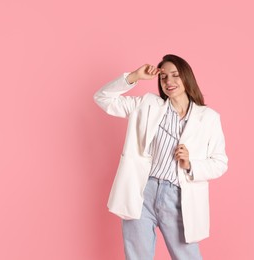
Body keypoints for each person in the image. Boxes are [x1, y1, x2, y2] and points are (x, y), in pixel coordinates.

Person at [94, 54, 228, 260]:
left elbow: (220, 163)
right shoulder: (147, 105)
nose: (169, 81)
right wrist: (135, 76)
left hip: (178, 197)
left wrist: (191, 164)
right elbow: (103, 98)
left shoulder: (208, 118)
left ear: (186, 77)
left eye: (175, 75)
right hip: (141, 193)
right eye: (163, 77)